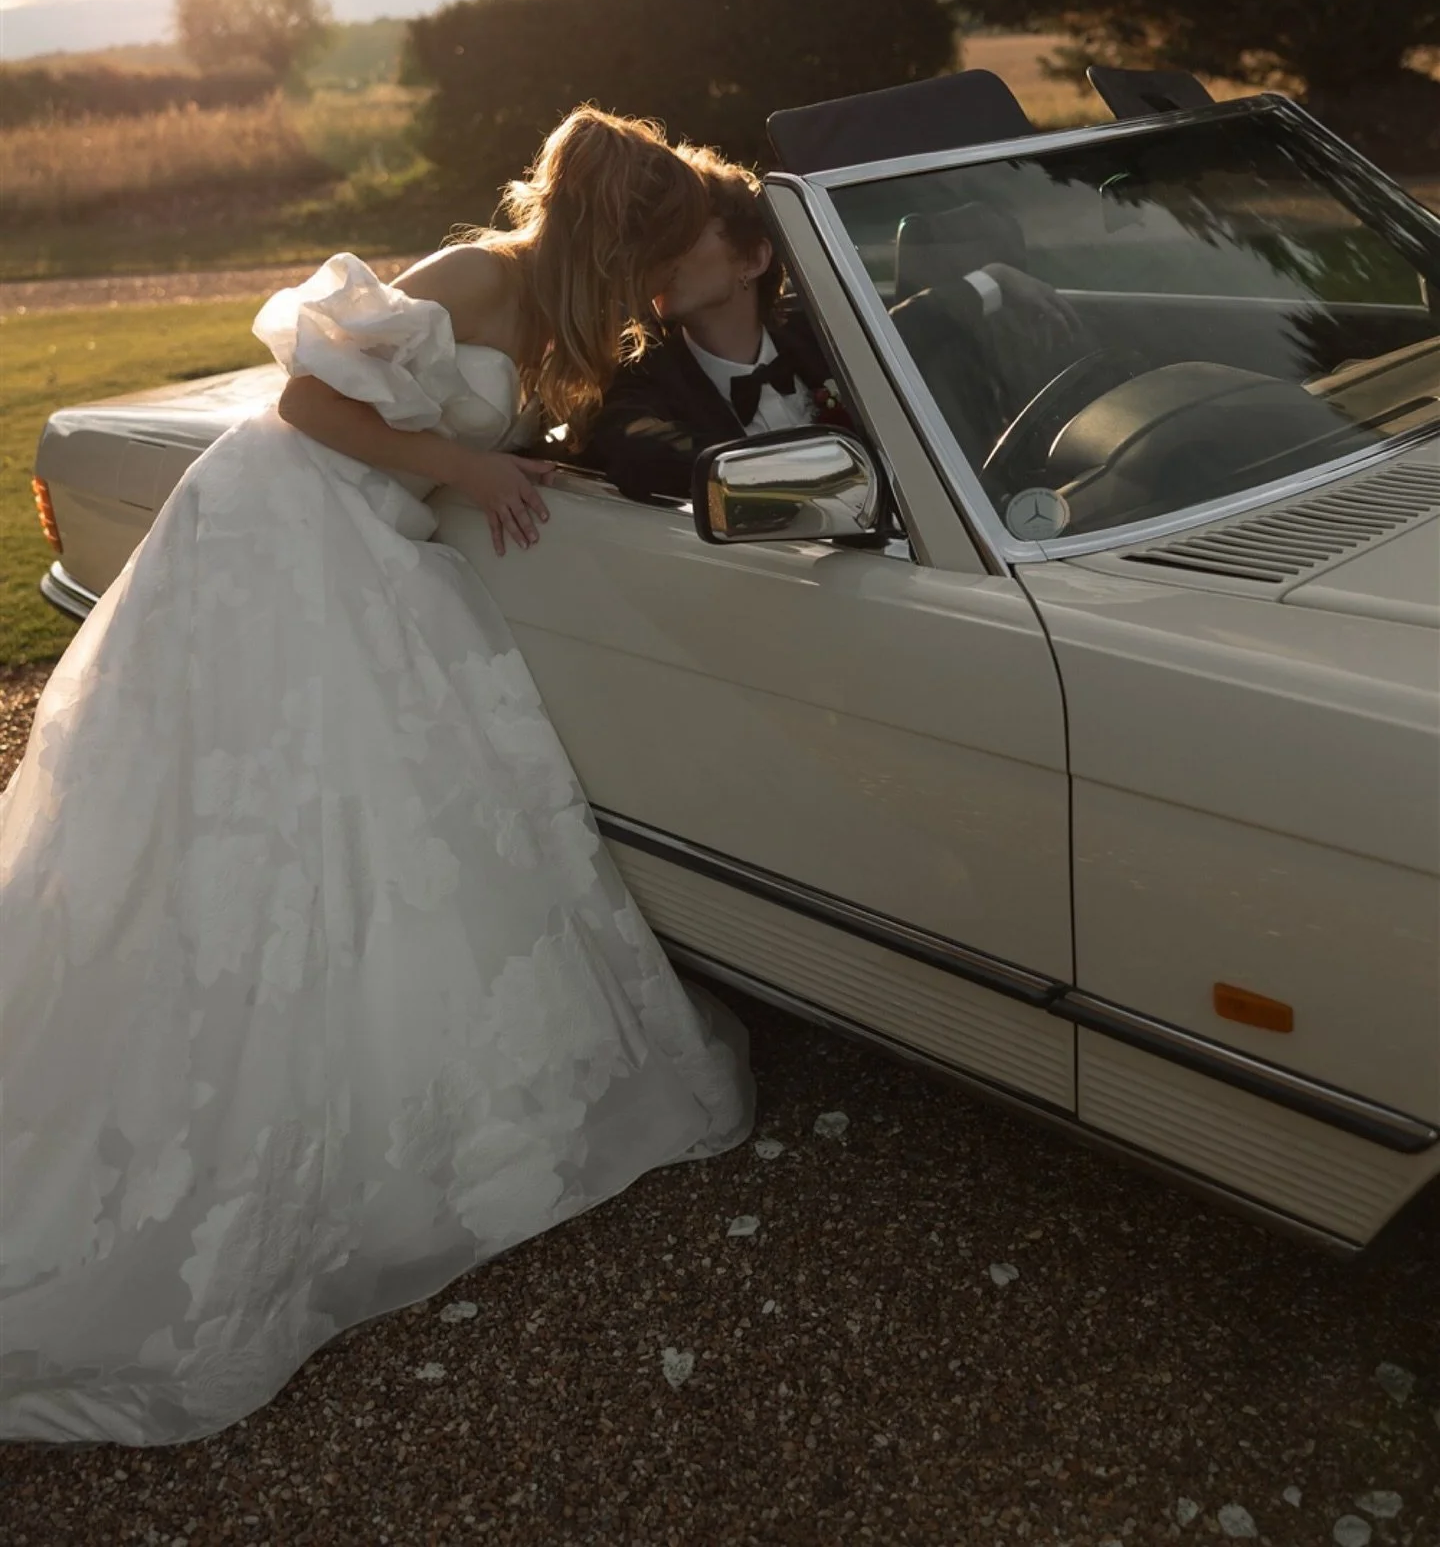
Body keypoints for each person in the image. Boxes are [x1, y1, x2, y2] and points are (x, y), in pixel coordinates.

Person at [0, 106, 753, 1447]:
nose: (649, 290)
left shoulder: (566, 312)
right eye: (650, 260)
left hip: (374, 539)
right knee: (286, 810)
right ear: (602, 233)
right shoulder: (476, 275)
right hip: (281, 529)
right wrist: (463, 459)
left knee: (392, 816)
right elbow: (303, 402)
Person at [582, 147, 1081, 500]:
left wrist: (990, 281)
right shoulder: (640, 375)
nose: (660, 255)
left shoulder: (814, 331)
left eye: (683, 235)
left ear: (752, 261)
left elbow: (904, 328)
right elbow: (637, 450)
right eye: (655, 239)